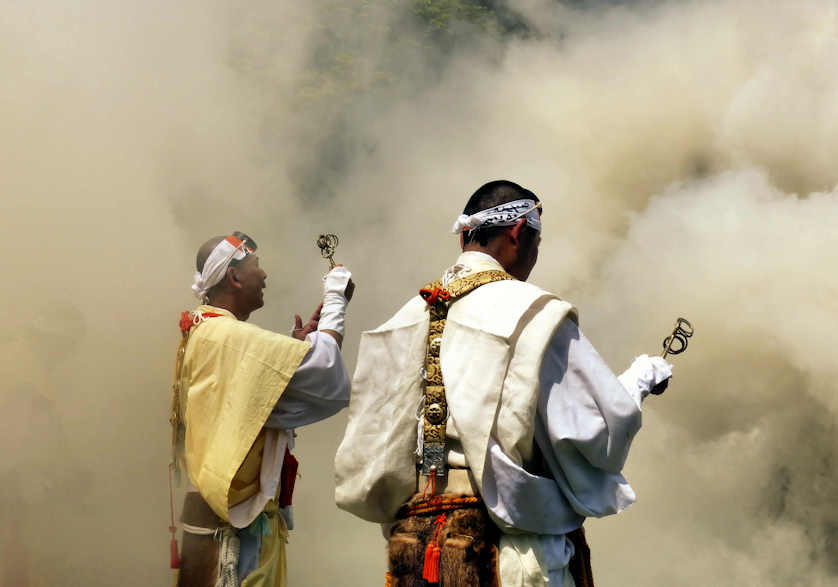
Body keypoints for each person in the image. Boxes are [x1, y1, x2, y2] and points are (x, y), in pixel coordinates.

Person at [335, 181, 671, 586]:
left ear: (465, 236)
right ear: (517, 233)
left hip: (416, 554)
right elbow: (592, 433)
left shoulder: (403, 319)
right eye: (537, 241)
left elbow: (369, 458)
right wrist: (636, 385)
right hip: (505, 554)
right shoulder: (533, 313)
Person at [170, 231, 353, 587]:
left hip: (221, 525)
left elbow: (256, 403)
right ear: (235, 277)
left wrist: (294, 349)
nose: (265, 274)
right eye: (257, 265)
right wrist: (335, 302)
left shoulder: (207, 332)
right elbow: (326, 370)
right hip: (237, 537)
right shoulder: (225, 337)